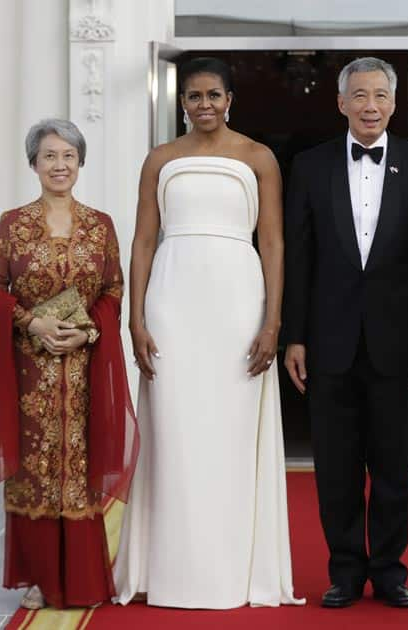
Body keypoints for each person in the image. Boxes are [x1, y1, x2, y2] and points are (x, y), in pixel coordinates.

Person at [114, 57, 302, 609]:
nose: (204, 105)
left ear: (229, 99)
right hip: (172, 305)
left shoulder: (259, 157)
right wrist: (136, 317)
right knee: (173, 436)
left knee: (231, 436)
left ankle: (233, 573)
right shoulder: (160, 159)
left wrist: (272, 320)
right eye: (194, 96)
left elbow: (272, 243)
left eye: (213, 95)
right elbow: (143, 241)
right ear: (181, 103)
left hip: (238, 305)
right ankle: (169, 571)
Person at [283, 56, 408, 609]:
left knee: (394, 464)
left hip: (398, 342)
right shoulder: (308, 166)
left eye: (380, 94)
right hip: (328, 340)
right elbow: (298, 258)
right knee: (336, 466)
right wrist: (294, 337)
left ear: (395, 103)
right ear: (341, 103)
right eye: (359, 95)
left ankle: (391, 571)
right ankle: (345, 572)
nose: (370, 104)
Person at [0, 118, 138, 610]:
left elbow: (112, 289)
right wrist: (31, 324)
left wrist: (88, 330)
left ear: (80, 163)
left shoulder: (100, 224)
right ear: (33, 164)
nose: (59, 165)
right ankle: (40, 577)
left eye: (68, 156)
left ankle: (84, 581)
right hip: (29, 371)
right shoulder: (13, 223)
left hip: (84, 368)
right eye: (49, 156)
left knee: (78, 468)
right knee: (37, 470)